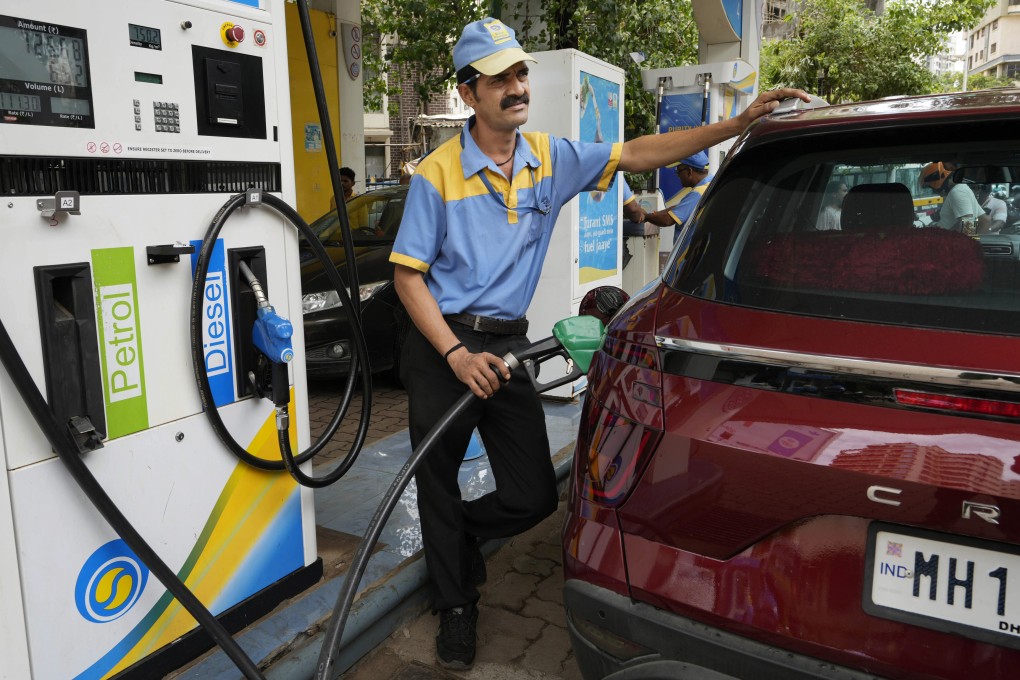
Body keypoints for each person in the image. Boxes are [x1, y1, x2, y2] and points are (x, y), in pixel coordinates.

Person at [388, 16, 810, 671]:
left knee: (530, 493)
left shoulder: (549, 160)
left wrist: (735, 126)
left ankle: (460, 538)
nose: (516, 86)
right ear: (469, 94)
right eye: (499, 78)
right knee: (436, 485)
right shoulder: (437, 175)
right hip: (443, 345)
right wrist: (453, 354)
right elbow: (406, 277)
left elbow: (639, 152)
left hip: (507, 346)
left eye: (520, 72)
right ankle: (457, 603)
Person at [642, 151, 714, 243]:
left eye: (678, 171)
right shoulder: (710, 184)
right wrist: (653, 214)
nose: (678, 175)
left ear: (689, 171)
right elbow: (678, 208)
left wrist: (645, 217)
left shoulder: (698, 193)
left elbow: (667, 220)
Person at [921, 161, 986, 233]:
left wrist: (944, 234)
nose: (934, 192)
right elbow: (985, 220)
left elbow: (969, 226)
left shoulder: (958, 192)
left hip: (949, 242)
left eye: (931, 188)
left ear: (936, 180)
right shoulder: (961, 188)